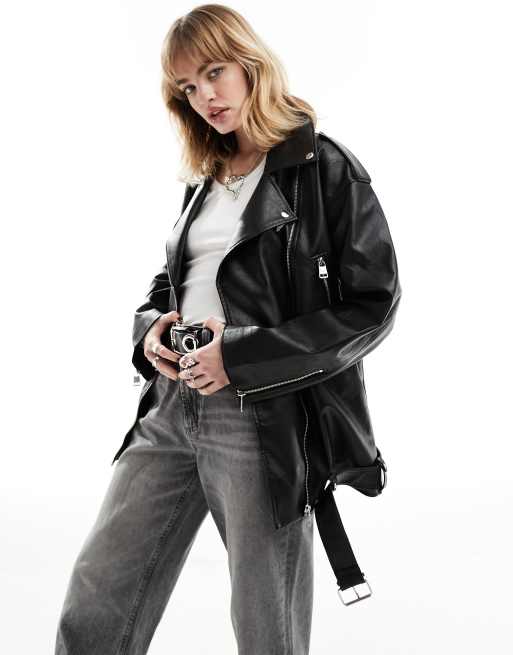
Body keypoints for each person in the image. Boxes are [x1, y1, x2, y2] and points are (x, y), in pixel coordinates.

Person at [54, 4, 401, 655]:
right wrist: (151, 327)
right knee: (98, 594)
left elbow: (372, 304)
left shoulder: (322, 167)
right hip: (168, 408)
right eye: (188, 87)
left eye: (214, 72)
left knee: (266, 625)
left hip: (259, 417)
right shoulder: (206, 176)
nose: (205, 96)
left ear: (249, 62)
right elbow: (177, 282)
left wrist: (241, 356)